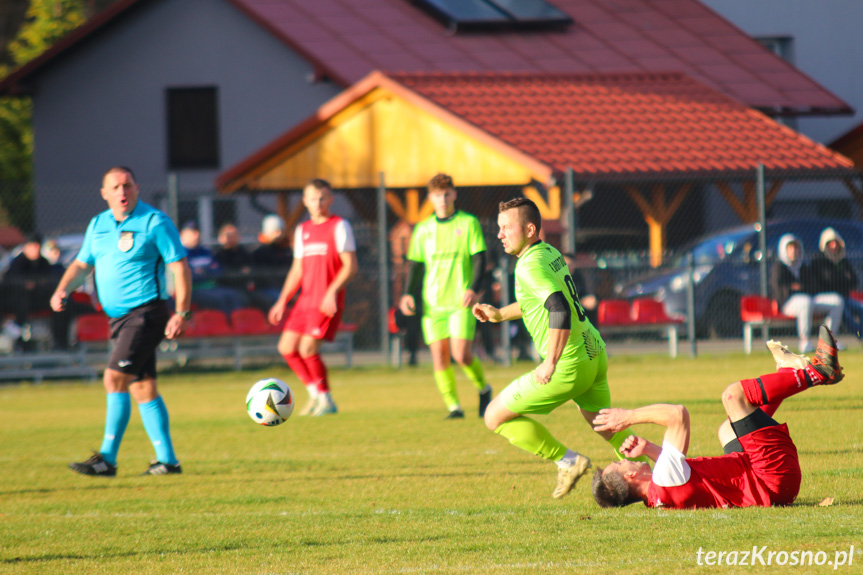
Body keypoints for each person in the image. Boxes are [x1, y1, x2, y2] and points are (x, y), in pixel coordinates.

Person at [472, 197, 645, 500]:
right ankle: (658, 476)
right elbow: (538, 303)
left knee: (493, 416)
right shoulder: (548, 252)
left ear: (529, 229)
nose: (499, 234)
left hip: (569, 363)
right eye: (499, 228)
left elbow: (559, 308)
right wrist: (499, 314)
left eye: (505, 228)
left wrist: (549, 362)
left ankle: (569, 461)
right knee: (607, 428)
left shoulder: (527, 267)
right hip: (594, 352)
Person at [591, 324, 843, 509]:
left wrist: (647, 448)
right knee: (733, 397)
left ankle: (787, 374)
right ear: (630, 477)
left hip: (774, 486)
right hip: (772, 477)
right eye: (621, 463)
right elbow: (677, 415)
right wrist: (628, 417)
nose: (623, 459)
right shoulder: (663, 480)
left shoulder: (658, 495)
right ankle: (819, 373)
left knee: (726, 430)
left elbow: (679, 468)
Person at [50, 166, 192, 477]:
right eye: (114, 187)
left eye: (127, 185)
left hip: (146, 314)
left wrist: (181, 312)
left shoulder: (155, 222)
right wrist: (63, 288)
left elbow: (180, 267)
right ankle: (167, 462)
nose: (122, 192)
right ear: (104, 193)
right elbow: (81, 264)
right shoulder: (98, 225)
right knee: (143, 388)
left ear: (137, 188)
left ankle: (106, 460)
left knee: (114, 379)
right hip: (119, 319)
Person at [399, 173, 492, 419]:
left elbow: (480, 257)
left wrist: (473, 288)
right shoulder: (423, 229)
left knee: (461, 354)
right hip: (433, 305)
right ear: (430, 197)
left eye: (446, 193)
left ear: (454, 194)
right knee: (439, 357)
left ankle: (484, 389)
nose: (442, 199)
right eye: (437, 195)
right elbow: (415, 266)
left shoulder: (468, 223)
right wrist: (408, 294)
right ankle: (454, 407)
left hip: (461, 302)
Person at [268, 179, 358, 416]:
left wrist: (331, 291)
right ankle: (316, 397)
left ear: (330, 200)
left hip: (326, 302)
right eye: (313, 198)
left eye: (323, 198)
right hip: (305, 301)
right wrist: (282, 301)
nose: (318, 203)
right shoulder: (302, 230)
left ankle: (326, 399)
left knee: (308, 348)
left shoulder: (340, 226)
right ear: (305, 201)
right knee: (287, 348)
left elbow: (350, 266)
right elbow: (297, 270)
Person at [771, 234, 843, 352]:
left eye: (796, 248)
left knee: (837, 301)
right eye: (790, 248)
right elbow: (781, 290)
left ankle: (828, 342)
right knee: (805, 302)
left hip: (809, 299)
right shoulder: (779, 267)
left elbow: (813, 287)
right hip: (788, 303)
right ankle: (805, 342)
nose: (794, 251)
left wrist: (798, 287)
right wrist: (796, 288)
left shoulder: (802, 267)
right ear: (784, 250)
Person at [180, 220, 249, 316]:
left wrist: (203, 272)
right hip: (194, 290)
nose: (196, 235)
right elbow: (191, 277)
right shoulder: (181, 254)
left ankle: (239, 324)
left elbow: (218, 272)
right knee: (220, 299)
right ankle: (227, 327)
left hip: (213, 287)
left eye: (197, 231)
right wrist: (208, 272)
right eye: (192, 232)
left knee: (234, 295)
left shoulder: (206, 252)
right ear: (183, 234)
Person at [806, 227, 862, 341]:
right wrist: (843, 279)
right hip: (828, 298)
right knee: (844, 311)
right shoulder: (819, 260)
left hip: (845, 297)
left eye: (835, 243)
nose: (833, 246)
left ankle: (861, 333)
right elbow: (826, 282)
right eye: (830, 243)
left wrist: (840, 280)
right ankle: (859, 335)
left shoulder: (843, 261)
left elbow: (854, 281)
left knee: (860, 309)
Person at [250, 214, 293, 311]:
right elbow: (263, 277)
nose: (279, 234)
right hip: (267, 289)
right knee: (279, 297)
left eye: (280, 231)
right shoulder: (259, 252)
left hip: (284, 287)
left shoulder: (286, 251)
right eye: (275, 231)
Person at [213, 222, 252, 294]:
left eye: (234, 236)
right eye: (229, 236)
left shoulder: (244, 253)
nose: (232, 239)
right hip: (226, 287)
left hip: (243, 286)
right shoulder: (219, 254)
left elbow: (250, 269)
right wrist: (240, 272)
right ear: (221, 238)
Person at [563, 252, 599, 327]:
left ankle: (591, 334)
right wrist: (581, 302)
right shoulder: (559, 279)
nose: (569, 267)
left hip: (577, 306)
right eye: (566, 265)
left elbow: (583, 293)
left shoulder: (577, 276)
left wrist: (589, 299)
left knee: (592, 304)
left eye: (571, 265)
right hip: (563, 309)